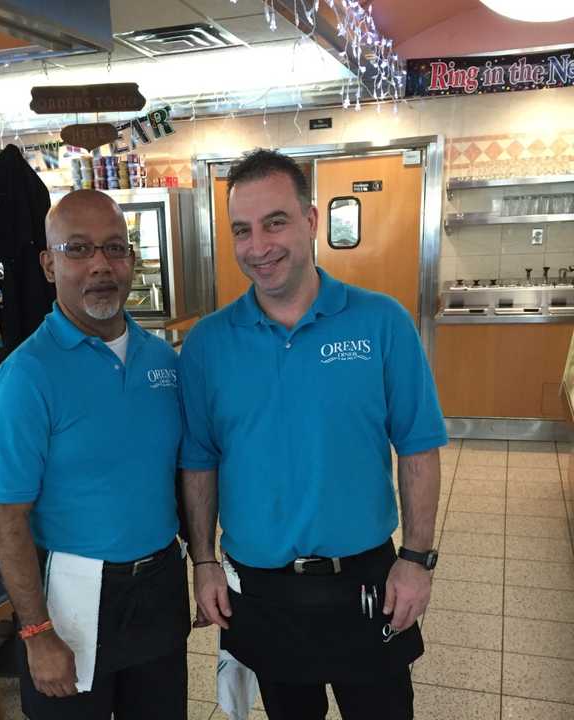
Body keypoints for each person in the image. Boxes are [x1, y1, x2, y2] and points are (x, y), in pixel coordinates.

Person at [179, 149, 447, 720]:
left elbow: (419, 446)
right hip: (263, 590)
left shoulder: (381, 322)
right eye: (241, 231)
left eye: (275, 222)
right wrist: (203, 562)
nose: (259, 246)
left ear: (310, 220)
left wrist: (417, 559)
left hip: (366, 580)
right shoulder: (208, 344)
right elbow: (199, 460)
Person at [0, 190, 189, 720]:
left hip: (161, 586)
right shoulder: (27, 376)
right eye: (77, 250)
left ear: (132, 261)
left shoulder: (161, 360)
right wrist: (35, 633)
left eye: (115, 248)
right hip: (74, 596)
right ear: (49, 265)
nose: (100, 265)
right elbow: (8, 517)